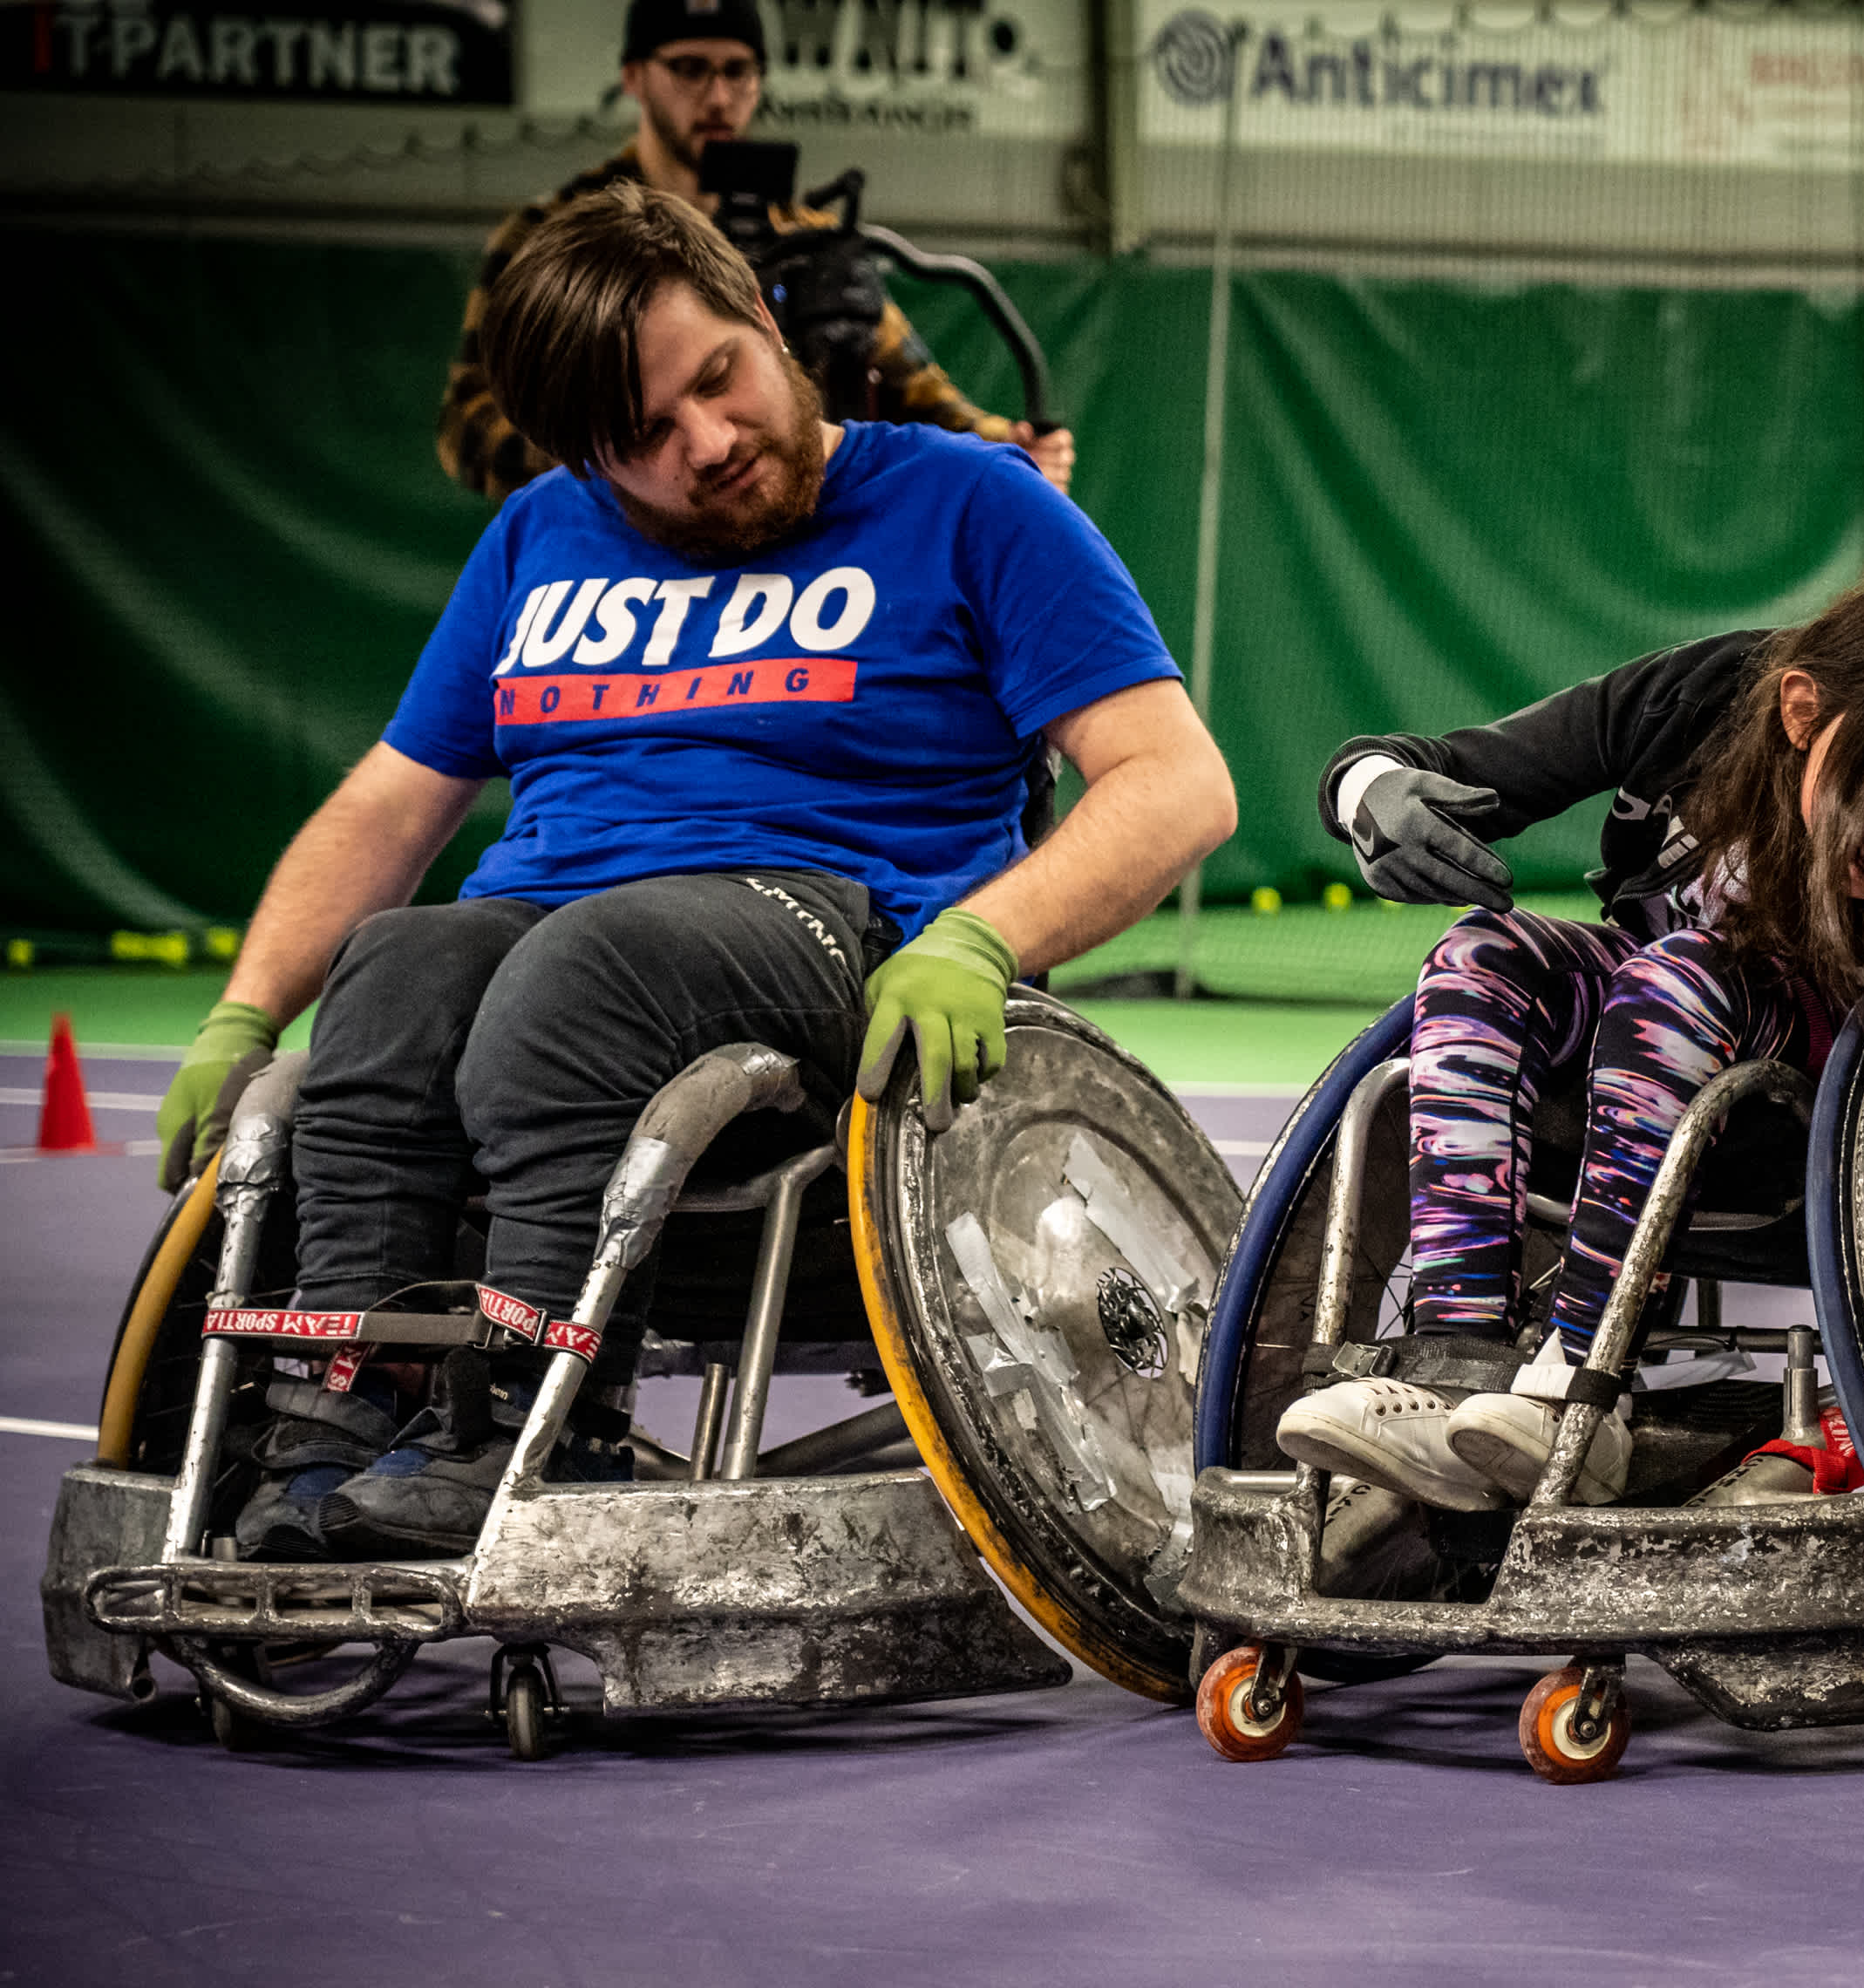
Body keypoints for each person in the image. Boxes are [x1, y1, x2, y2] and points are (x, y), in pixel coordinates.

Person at [154, 181, 1231, 1562]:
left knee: (583, 972)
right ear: (586, 459)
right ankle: (333, 1431)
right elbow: (386, 805)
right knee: (396, 969)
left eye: (719, 379)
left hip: (829, 925)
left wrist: (983, 937)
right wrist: (244, 1016)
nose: (709, 442)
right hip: (560, 922)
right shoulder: (537, 537)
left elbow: (1176, 781)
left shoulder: (972, 504)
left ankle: (535, 1430)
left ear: (760, 318)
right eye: (645, 439)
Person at [1274, 557, 1864, 1514]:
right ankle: (1455, 1367)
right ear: (1802, 711)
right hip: (1623, 1100)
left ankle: (1581, 1389)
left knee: (1674, 980)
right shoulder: (1697, 702)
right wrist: (1369, 793)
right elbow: (1419, 763)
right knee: (1480, 953)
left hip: (1815, 1158)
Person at [436, 0, 1072, 502]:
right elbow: (467, 430)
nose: (717, 96)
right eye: (689, 68)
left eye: (737, 70)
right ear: (634, 76)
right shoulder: (549, 241)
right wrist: (623, 450)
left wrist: (1010, 448)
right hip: (617, 561)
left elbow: (922, 397)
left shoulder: (811, 239)